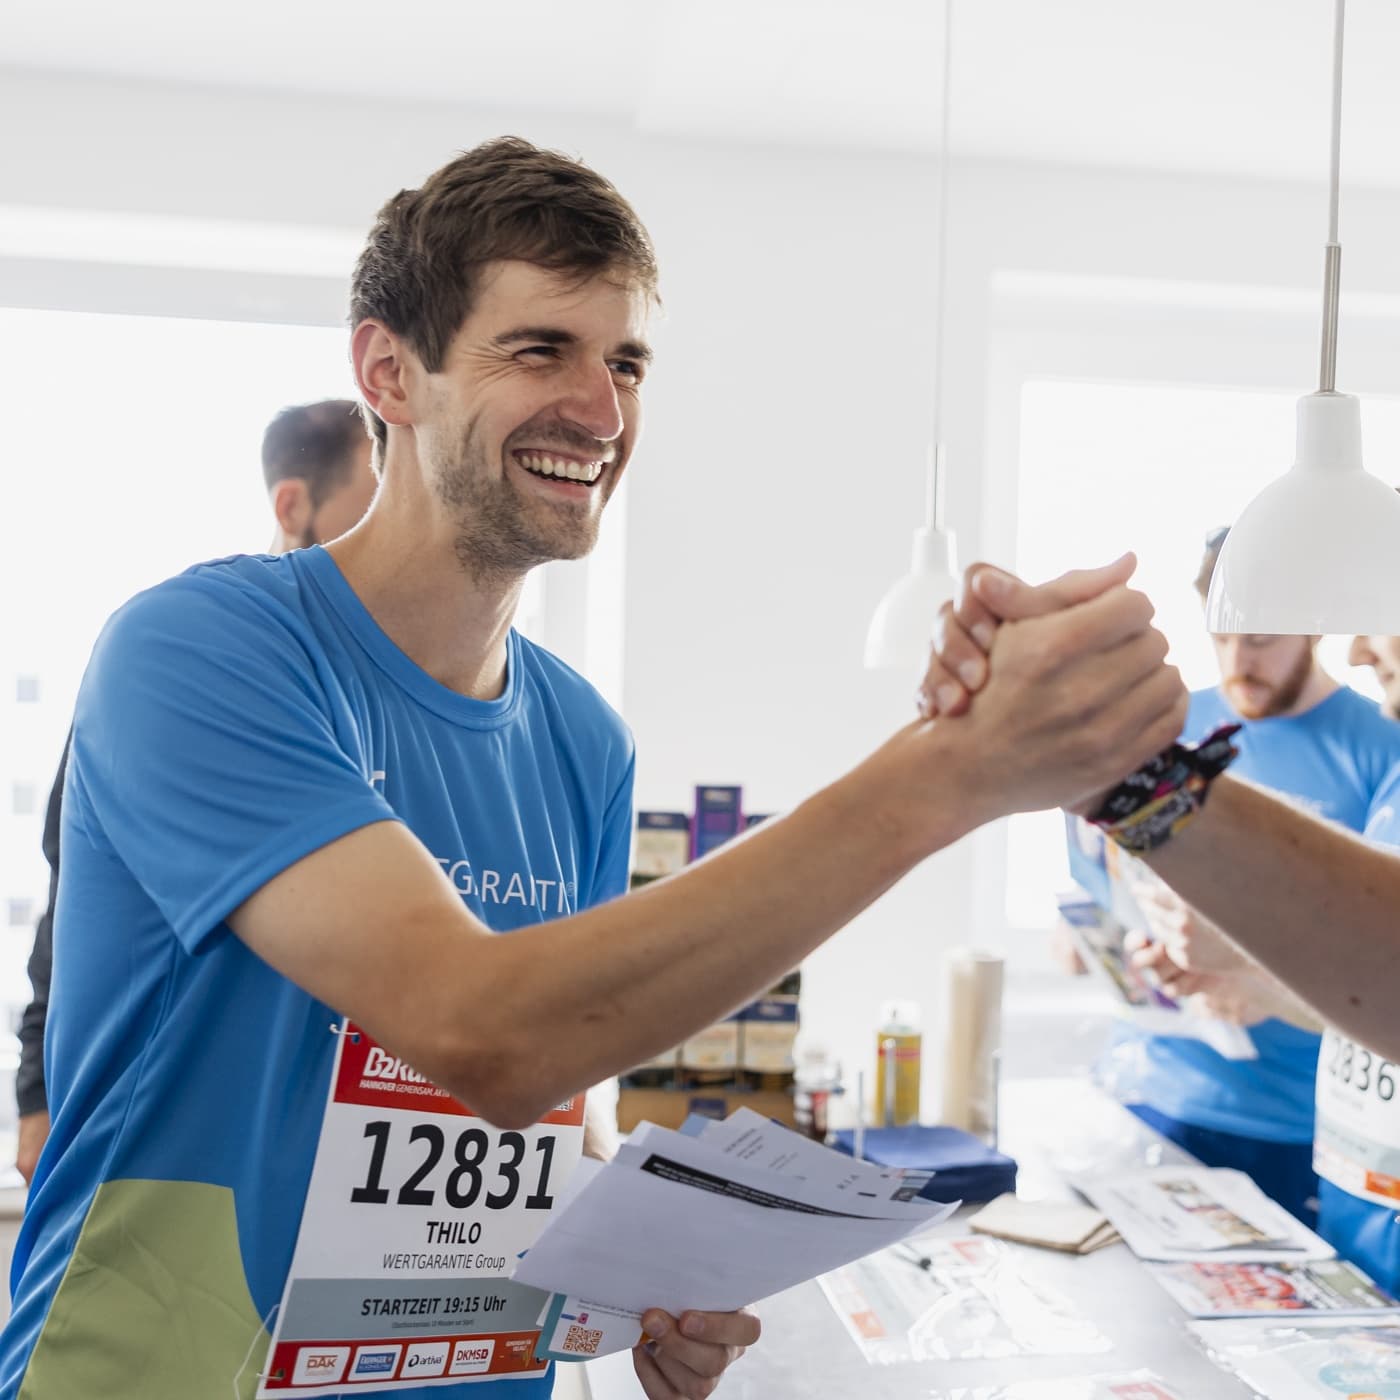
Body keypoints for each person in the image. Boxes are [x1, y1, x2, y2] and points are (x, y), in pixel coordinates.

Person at [0, 137, 1189, 1400]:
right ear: (388, 373)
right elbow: (484, 1029)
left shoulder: (581, 736)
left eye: (624, 362)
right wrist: (947, 775)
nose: (603, 411)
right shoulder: (200, 648)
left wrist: (635, 1290)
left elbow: (553, 1105)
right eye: (540, 350)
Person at [11, 400, 379, 1185]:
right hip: (168, 1133)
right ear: (293, 504)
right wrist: (36, 1093)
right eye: (371, 499)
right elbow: (68, 901)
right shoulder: (183, 662)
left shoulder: (385, 688)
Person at [1088, 528, 1400, 1227]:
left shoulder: (1382, 745)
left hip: (1288, 1122)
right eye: (1222, 637)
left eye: (1258, 638)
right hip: (1153, 1083)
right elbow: (1104, 884)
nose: (1237, 660)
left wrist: (1252, 974)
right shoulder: (1170, 724)